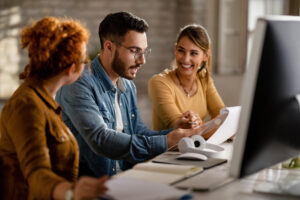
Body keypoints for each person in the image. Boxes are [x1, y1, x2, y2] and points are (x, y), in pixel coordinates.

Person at [55, 11, 203, 178]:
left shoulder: (127, 86)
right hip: (91, 188)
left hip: (126, 179)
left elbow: (137, 132)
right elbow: (100, 139)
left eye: (144, 52)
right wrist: (166, 141)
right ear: (109, 47)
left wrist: (174, 132)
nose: (142, 60)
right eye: (134, 51)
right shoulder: (78, 82)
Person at [0, 17, 108, 200]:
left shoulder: (43, 100)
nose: (87, 65)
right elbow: (36, 172)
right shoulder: (26, 106)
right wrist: (71, 192)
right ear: (70, 68)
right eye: (84, 61)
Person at [148, 24, 225, 139]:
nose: (185, 59)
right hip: (166, 154)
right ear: (175, 49)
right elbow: (181, 129)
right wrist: (216, 128)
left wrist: (200, 126)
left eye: (194, 53)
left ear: (205, 56)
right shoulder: (159, 82)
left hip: (195, 150)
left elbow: (224, 117)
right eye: (181, 51)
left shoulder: (204, 79)